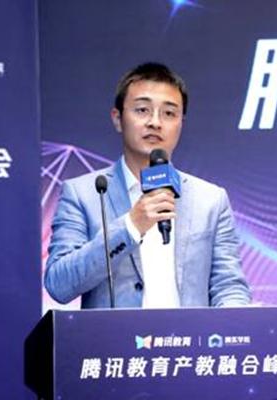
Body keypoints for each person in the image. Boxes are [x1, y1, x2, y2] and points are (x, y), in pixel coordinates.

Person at [45, 62, 251, 309]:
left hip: (191, 335)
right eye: (142, 110)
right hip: (115, 336)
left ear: (181, 123)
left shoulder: (210, 200)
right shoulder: (84, 194)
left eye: (169, 113)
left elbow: (229, 286)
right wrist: (131, 226)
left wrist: (235, 322)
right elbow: (59, 284)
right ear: (118, 119)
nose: (155, 122)